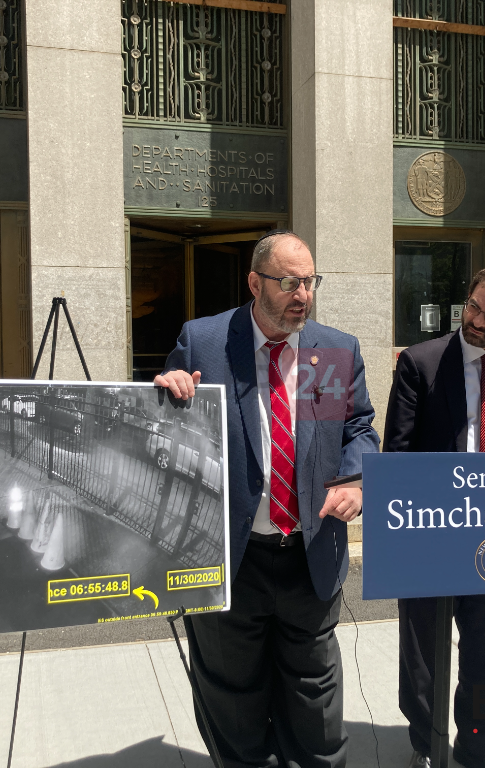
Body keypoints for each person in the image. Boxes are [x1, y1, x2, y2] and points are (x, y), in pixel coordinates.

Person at [154, 230, 380, 768]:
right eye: (288, 283)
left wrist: (354, 481)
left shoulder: (336, 349)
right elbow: (166, 425)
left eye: (309, 281)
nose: (303, 295)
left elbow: (359, 428)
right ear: (255, 283)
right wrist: (169, 389)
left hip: (310, 552)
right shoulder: (204, 340)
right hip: (230, 555)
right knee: (233, 694)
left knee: (314, 692)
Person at [383, 265, 485, 768]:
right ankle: (427, 742)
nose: (477, 321)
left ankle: (476, 744)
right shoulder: (421, 362)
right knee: (423, 652)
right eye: (473, 307)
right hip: (433, 530)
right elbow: (397, 453)